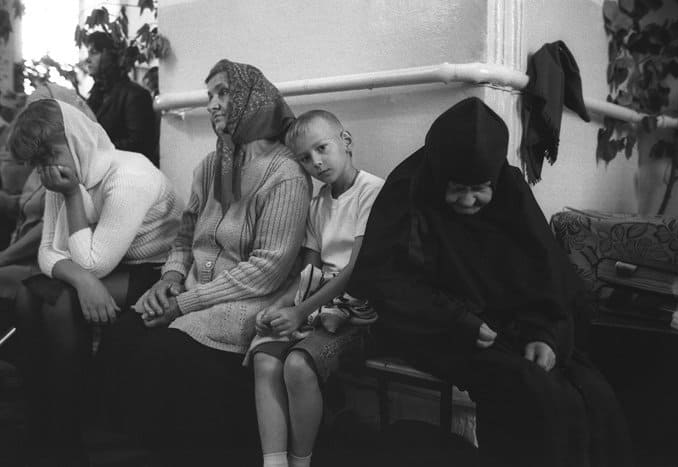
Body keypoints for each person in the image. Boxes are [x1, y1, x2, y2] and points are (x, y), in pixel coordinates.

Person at [348, 97, 632, 467]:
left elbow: (545, 271)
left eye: (480, 187)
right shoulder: (408, 189)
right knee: (531, 392)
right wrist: (458, 321)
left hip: (506, 322)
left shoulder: (510, 187)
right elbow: (385, 281)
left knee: (591, 392)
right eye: (456, 188)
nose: (468, 200)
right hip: (434, 327)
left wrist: (545, 333)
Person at [130, 60, 310, 465]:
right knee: (128, 332)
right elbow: (184, 235)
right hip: (193, 295)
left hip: (252, 302)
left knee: (164, 351)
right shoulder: (211, 165)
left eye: (223, 93)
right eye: (209, 95)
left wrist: (183, 304)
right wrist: (169, 279)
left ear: (252, 99)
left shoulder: (285, 174)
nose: (212, 104)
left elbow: (267, 270)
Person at [10, 98, 182, 466]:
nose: (47, 169)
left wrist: (72, 196)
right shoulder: (65, 174)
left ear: (77, 139)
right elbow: (47, 252)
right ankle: (39, 423)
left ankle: (67, 437)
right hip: (102, 268)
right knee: (27, 295)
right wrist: (82, 281)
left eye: (51, 154)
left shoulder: (129, 176)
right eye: (38, 162)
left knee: (59, 304)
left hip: (153, 271)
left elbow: (94, 262)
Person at [249, 110, 383, 467]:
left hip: (359, 310)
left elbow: (355, 271)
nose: (316, 162)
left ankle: (300, 461)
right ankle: (273, 462)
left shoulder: (372, 192)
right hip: (317, 304)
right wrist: (281, 306)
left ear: (346, 141)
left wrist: (299, 312)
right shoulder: (318, 203)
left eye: (322, 148)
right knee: (265, 355)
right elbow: (310, 270)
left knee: (297, 365)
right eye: (305, 159)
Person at [0, 84, 97, 358]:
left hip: (44, 264)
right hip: (29, 255)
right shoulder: (44, 159)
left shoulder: (73, 164)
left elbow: (49, 230)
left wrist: (4, 257)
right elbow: (27, 209)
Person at [85, 32, 159, 166]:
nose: (88, 59)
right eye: (88, 53)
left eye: (94, 53)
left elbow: (140, 144)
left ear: (109, 56)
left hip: (128, 171)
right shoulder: (96, 95)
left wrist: (97, 150)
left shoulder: (136, 95)